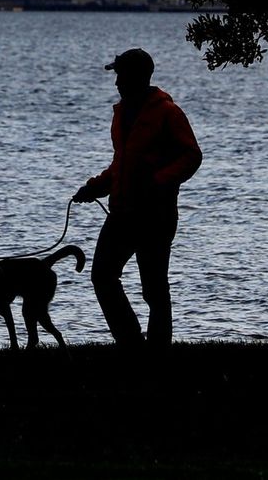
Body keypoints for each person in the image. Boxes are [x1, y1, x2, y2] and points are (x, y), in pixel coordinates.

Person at [72, 47, 203, 348]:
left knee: (154, 290)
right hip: (122, 212)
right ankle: (131, 343)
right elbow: (121, 163)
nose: (117, 83)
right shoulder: (122, 114)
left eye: (121, 76)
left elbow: (192, 155)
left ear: (138, 77)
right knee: (103, 276)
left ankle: (156, 352)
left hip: (156, 215)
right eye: (117, 76)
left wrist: (159, 181)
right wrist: (95, 188)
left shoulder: (168, 113)